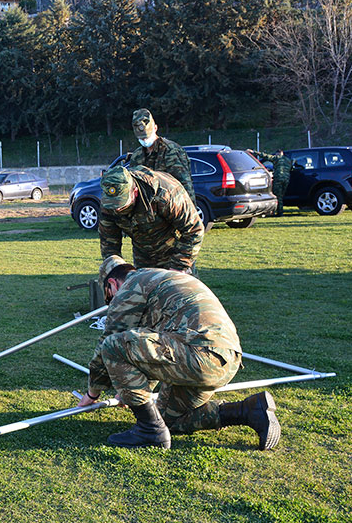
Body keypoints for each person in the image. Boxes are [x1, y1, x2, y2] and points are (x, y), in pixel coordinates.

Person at [77, 256, 281, 451]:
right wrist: (133, 389)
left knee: (113, 345)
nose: (112, 303)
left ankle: (150, 431)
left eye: (109, 297)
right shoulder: (160, 280)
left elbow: (110, 342)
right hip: (225, 359)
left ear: (112, 283)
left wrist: (92, 393)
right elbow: (152, 351)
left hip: (198, 354)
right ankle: (249, 411)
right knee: (168, 418)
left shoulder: (132, 286)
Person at [99, 165, 204, 273]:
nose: (117, 209)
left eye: (121, 203)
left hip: (175, 252)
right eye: (113, 204)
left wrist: (178, 267)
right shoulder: (109, 204)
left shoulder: (165, 194)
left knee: (179, 288)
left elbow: (194, 229)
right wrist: (117, 272)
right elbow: (109, 243)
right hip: (143, 255)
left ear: (134, 192)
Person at [129, 108, 195, 202]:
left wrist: (190, 214)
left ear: (155, 128)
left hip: (171, 208)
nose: (145, 140)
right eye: (142, 138)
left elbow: (185, 187)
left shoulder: (171, 151)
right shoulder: (137, 156)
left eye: (147, 137)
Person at [248, 149, 293, 215]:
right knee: (281, 195)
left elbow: (265, 156)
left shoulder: (276, 158)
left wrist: (254, 152)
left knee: (277, 196)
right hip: (286, 179)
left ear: (277, 153)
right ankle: (278, 211)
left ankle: (279, 212)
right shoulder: (288, 160)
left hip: (278, 178)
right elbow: (291, 168)